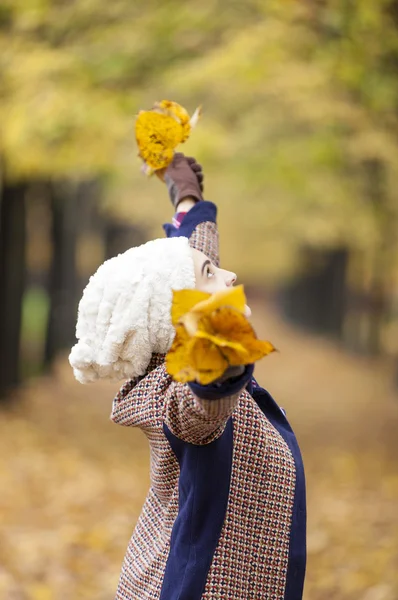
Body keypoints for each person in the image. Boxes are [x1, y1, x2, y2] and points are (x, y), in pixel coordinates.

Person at [69, 154, 307, 599]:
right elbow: (203, 406)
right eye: (212, 275)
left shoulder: (170, 330)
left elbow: (184, 267)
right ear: (183, 323)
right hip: (192, 587)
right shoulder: (174, 392)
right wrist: (220, 362)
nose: (230, 274)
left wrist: (187, 197)